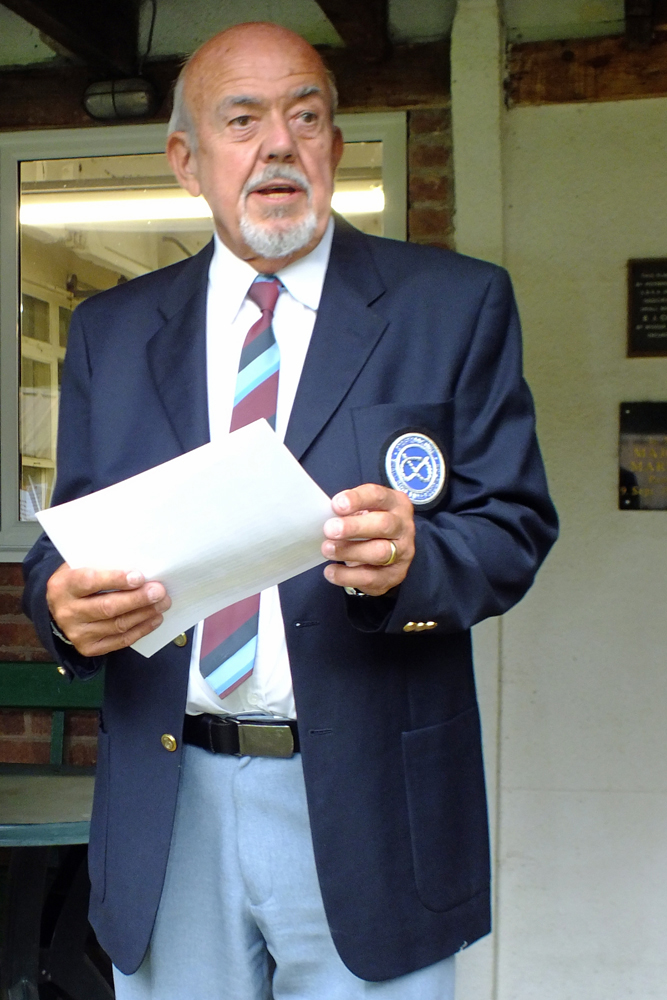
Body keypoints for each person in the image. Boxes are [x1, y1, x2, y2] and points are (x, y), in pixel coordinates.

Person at [22, 21, 558, 1000]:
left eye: (305, 116)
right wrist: (62, 607)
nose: (279, 143)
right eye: (243, 119)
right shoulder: (112, 330)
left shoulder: (453, 305)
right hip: (170, 803)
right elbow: (67, 538)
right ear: (187, 160)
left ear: (335, 148)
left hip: (370, 810)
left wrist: (415, 560)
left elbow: (512, 525)